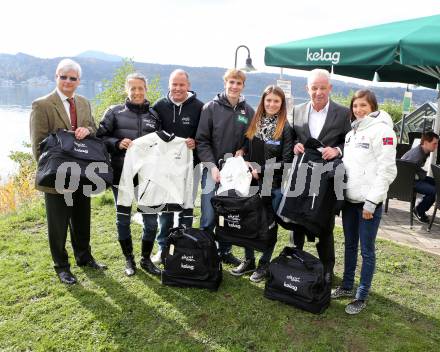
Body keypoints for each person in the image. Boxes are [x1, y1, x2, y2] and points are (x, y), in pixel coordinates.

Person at [30, 59, 106, 285]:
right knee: (58, 223)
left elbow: (94, 129)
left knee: (82, 219)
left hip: (82, 172)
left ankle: (84, 257)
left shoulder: (83, 102)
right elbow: (38, 143)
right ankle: (61, 266)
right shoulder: (42, 104)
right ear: (56, 77)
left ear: (78, 81)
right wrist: (48, 170)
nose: (68, 81)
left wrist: (87, 130)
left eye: (72, 78)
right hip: (57, 174)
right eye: (63, 77)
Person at [332, 89, 397, 314]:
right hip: (350, 200)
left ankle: (361, 295)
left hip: (368, 203)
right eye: (355, 106)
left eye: (364, 106)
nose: (358, 110)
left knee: (366, 250)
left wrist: (372, 201)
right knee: (349, 245)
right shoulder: (352, 133)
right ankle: (347, 286)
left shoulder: (383, 132)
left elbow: (387, 170)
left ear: (373, 108)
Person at [96, 73, 161, 277]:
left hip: (147, 179)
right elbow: (100, 137)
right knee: (122, 220)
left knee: (151, 223)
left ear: (146, 89)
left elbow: (161, 144)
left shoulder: (154, 116)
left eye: (140, 88)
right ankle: (129, 259)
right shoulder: (114, 112)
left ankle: (145, 259)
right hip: (120, 176)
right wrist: (116, 143)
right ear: (127, 89)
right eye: (132, 88)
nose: (137, 92)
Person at [291, 68, 351, 281]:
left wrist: (338, 150)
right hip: (302, 174)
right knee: (297, 218)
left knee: (325, 222)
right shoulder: (297, 110)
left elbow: (349, 140)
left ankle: (327, 269)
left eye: (323, 88)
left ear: (330, 88)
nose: (318, 92)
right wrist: (295, 145)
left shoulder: (343, 113)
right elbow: (291, 137)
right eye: (314, 88)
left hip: (327, 177)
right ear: (307, 88)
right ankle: (295, 261)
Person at [230, 85, 293, 281]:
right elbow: (246, 146)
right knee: (248, 222)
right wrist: (241, 151)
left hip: (271, 185)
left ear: (281, 104)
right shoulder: (254, 123)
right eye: (268, 100)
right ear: (263, 102)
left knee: (268, 226)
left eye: (276, 101)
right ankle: (248, 260)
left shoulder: (286, 129)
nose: (272, 104)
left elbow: (287, 161)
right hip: (250, 182)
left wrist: (262, 170)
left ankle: (264, 264)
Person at [196, 68, 255, 266]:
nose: (234, 86)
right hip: (213, 170)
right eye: (231, 82)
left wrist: (244, 150)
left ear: (243, 86)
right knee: (209, 214)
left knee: (229, 213)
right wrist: (212, 167)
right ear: (225, 83)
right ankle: (205, 252)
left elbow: (251, 139)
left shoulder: (248, 111)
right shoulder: (210, 108)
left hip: (235, 173)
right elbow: (202, 141)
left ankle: (225, 251)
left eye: (238, 83)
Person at [151, 69, 203, 264]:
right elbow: (151, 134)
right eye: (174, 84)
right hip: (165, 167)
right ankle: (162, 247)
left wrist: (195, 142)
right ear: (169, 85)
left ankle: (183, 245)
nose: (178, 88)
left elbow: (205, 134)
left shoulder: (199, 107)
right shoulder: (159, 106)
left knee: (186, 208)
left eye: (181, 84)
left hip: (191, 166)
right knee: (165, 209)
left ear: (188, 86)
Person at [402, 131, 439, 223]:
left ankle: (420, 207)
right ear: (426, 143)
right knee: (435, 191)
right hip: (409, 181)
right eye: (434, 143)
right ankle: (419, 210)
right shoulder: (416, 155)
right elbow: (405, 173)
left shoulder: (423, 151)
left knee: (437, 183)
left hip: (416, 177)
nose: (436, 146)